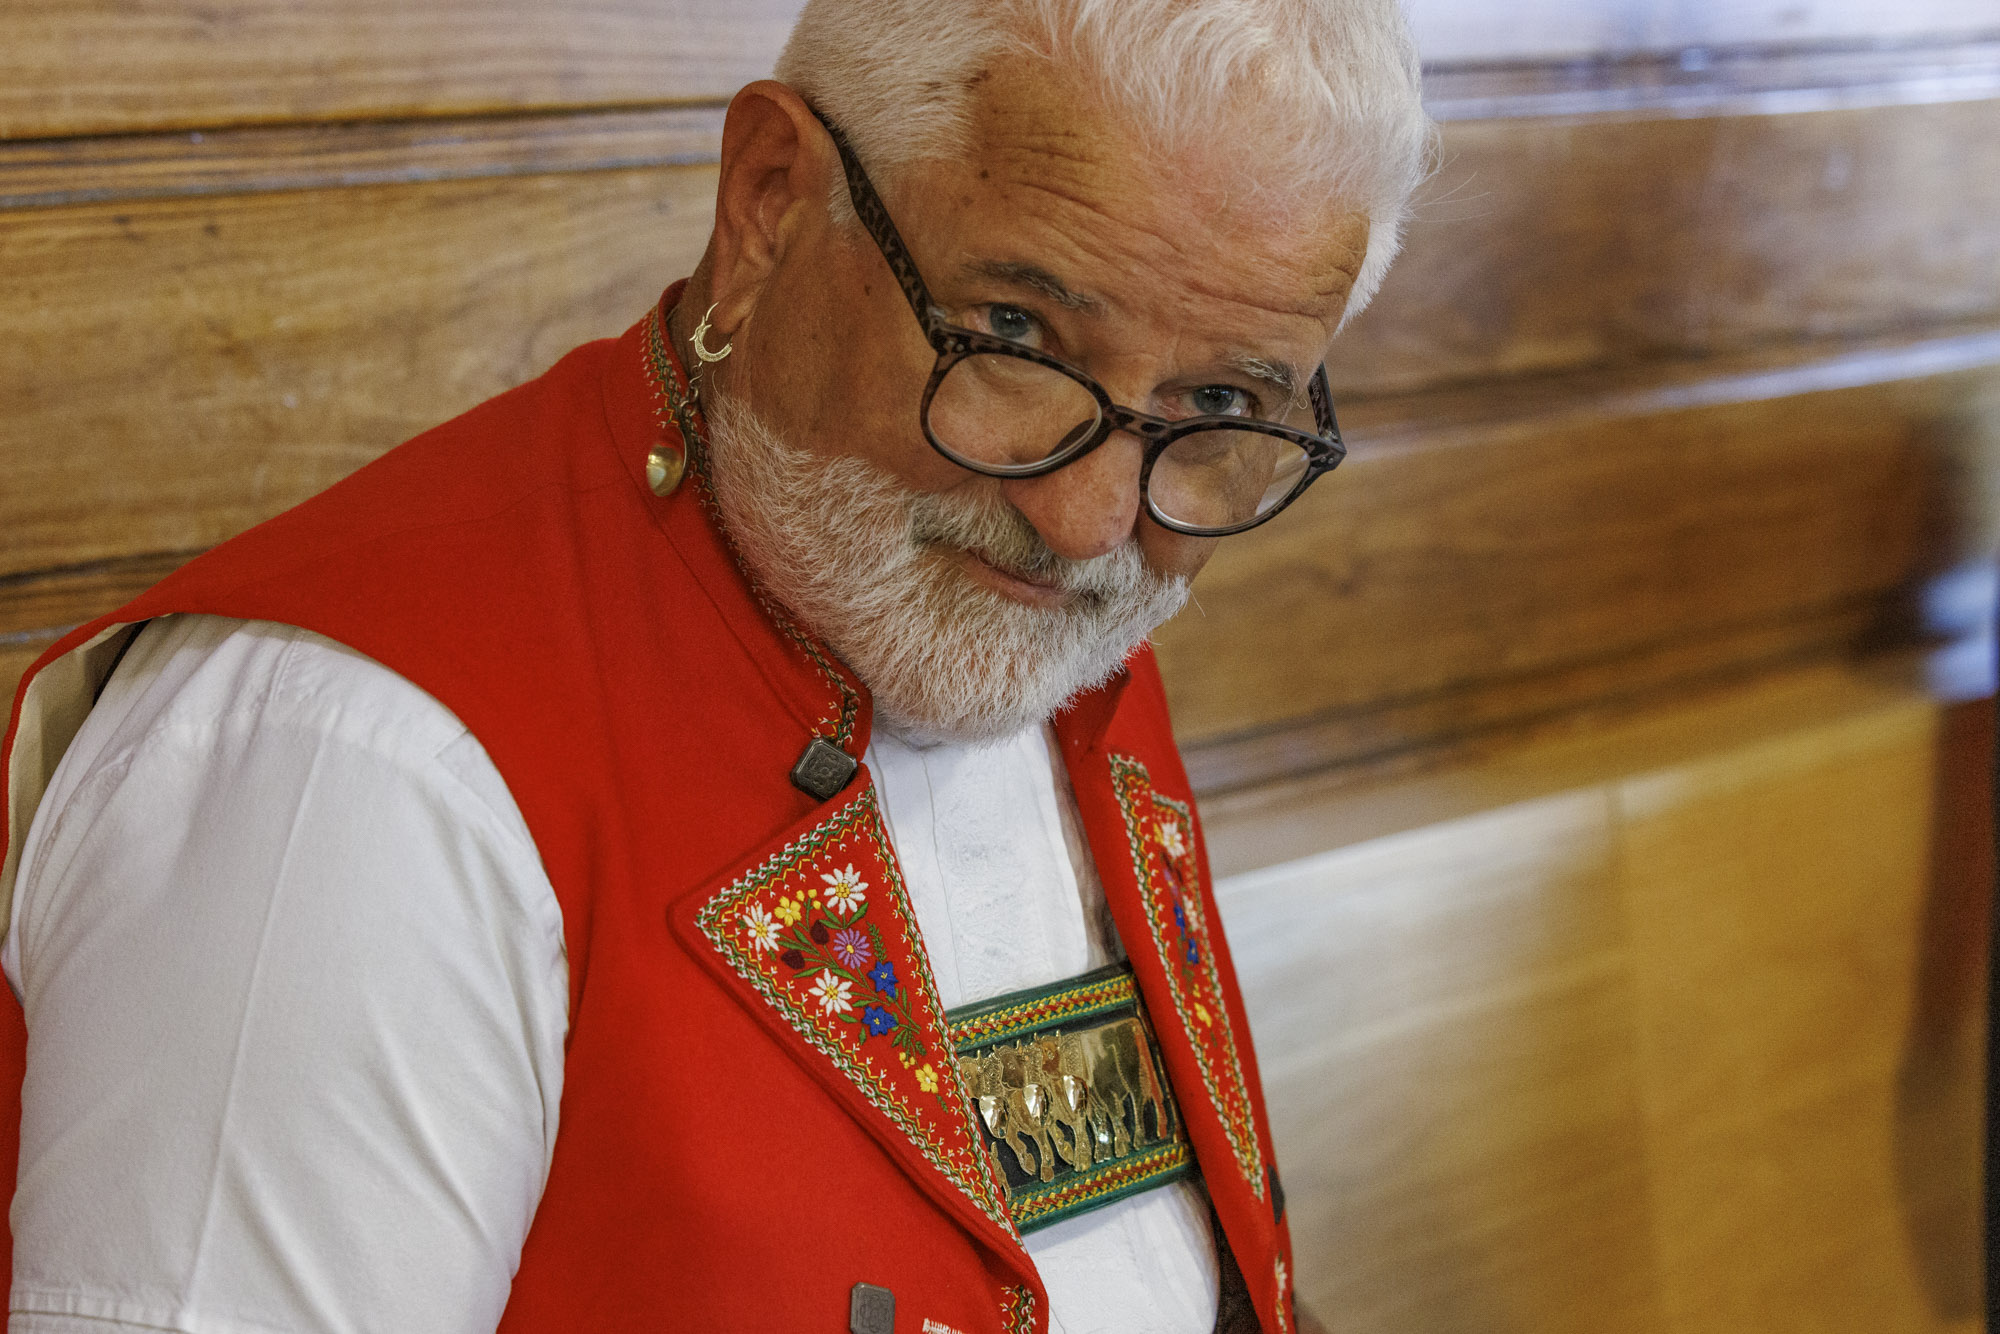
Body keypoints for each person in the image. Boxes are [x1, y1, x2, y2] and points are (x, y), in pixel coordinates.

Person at [0, 1, 1430, 1330]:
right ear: (770, 203)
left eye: (1221, 401)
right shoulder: (354, 777)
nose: (1089, 520)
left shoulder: (1032, 613)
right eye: (1015, 335)